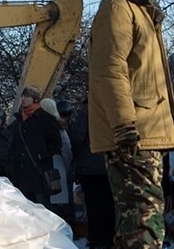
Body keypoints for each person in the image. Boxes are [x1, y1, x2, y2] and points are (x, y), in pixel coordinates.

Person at [88, 0, 174, 249]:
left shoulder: (141, 10)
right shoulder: (118, 8)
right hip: (133, 134)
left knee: (141, 218)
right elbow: (109, 70)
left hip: (146, 131)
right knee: (144, 219)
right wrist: (124, 125)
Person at [69, 99, 114, 249]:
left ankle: (97, 241)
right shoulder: (116, 106)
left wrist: (75, 156)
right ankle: (110, 239)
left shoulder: (86, 110)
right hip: (111, 165)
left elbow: (77, 136)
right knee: (110, 205)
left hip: (90, 166)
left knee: (94, 206)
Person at [8, 85, 63, 203]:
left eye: (27, 96)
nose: (22, 98)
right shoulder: (18, 121)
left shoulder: (46, 119)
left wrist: (42, 155)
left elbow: (56, 144)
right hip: (21, 175)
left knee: (41, 210)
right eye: (22, 95)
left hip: (39, 174)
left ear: (35, 99)